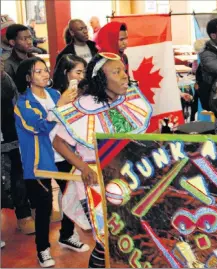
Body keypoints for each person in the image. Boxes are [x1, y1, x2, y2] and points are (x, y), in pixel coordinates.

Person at [52, 52, 152, 268]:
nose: (125, 76)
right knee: (105, 240)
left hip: (126, 179)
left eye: (124, 70)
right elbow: (58, 143)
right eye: (116, 72)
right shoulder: (83, 107)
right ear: (101, 79)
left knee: (127, 236)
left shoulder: (128, 101)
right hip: (94, 184)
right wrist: (83, 168)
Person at [13, 57, 85, 267]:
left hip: (64, 154)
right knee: (44, 207)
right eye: (38, 72)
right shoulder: (23, 104)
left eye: (45, 70)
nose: (45, 74)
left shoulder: (54, 94)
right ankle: (43, 249)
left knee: (71, 197)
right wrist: (61, 105)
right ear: (28, 78)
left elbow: (69, 120)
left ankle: (67, 234)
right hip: (39, 161)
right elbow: (38, 127)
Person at [1, 50, 35, 236]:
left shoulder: (6, 78)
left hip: (13, 136)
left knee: (18, 175)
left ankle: (23, 215)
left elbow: (16, 103)